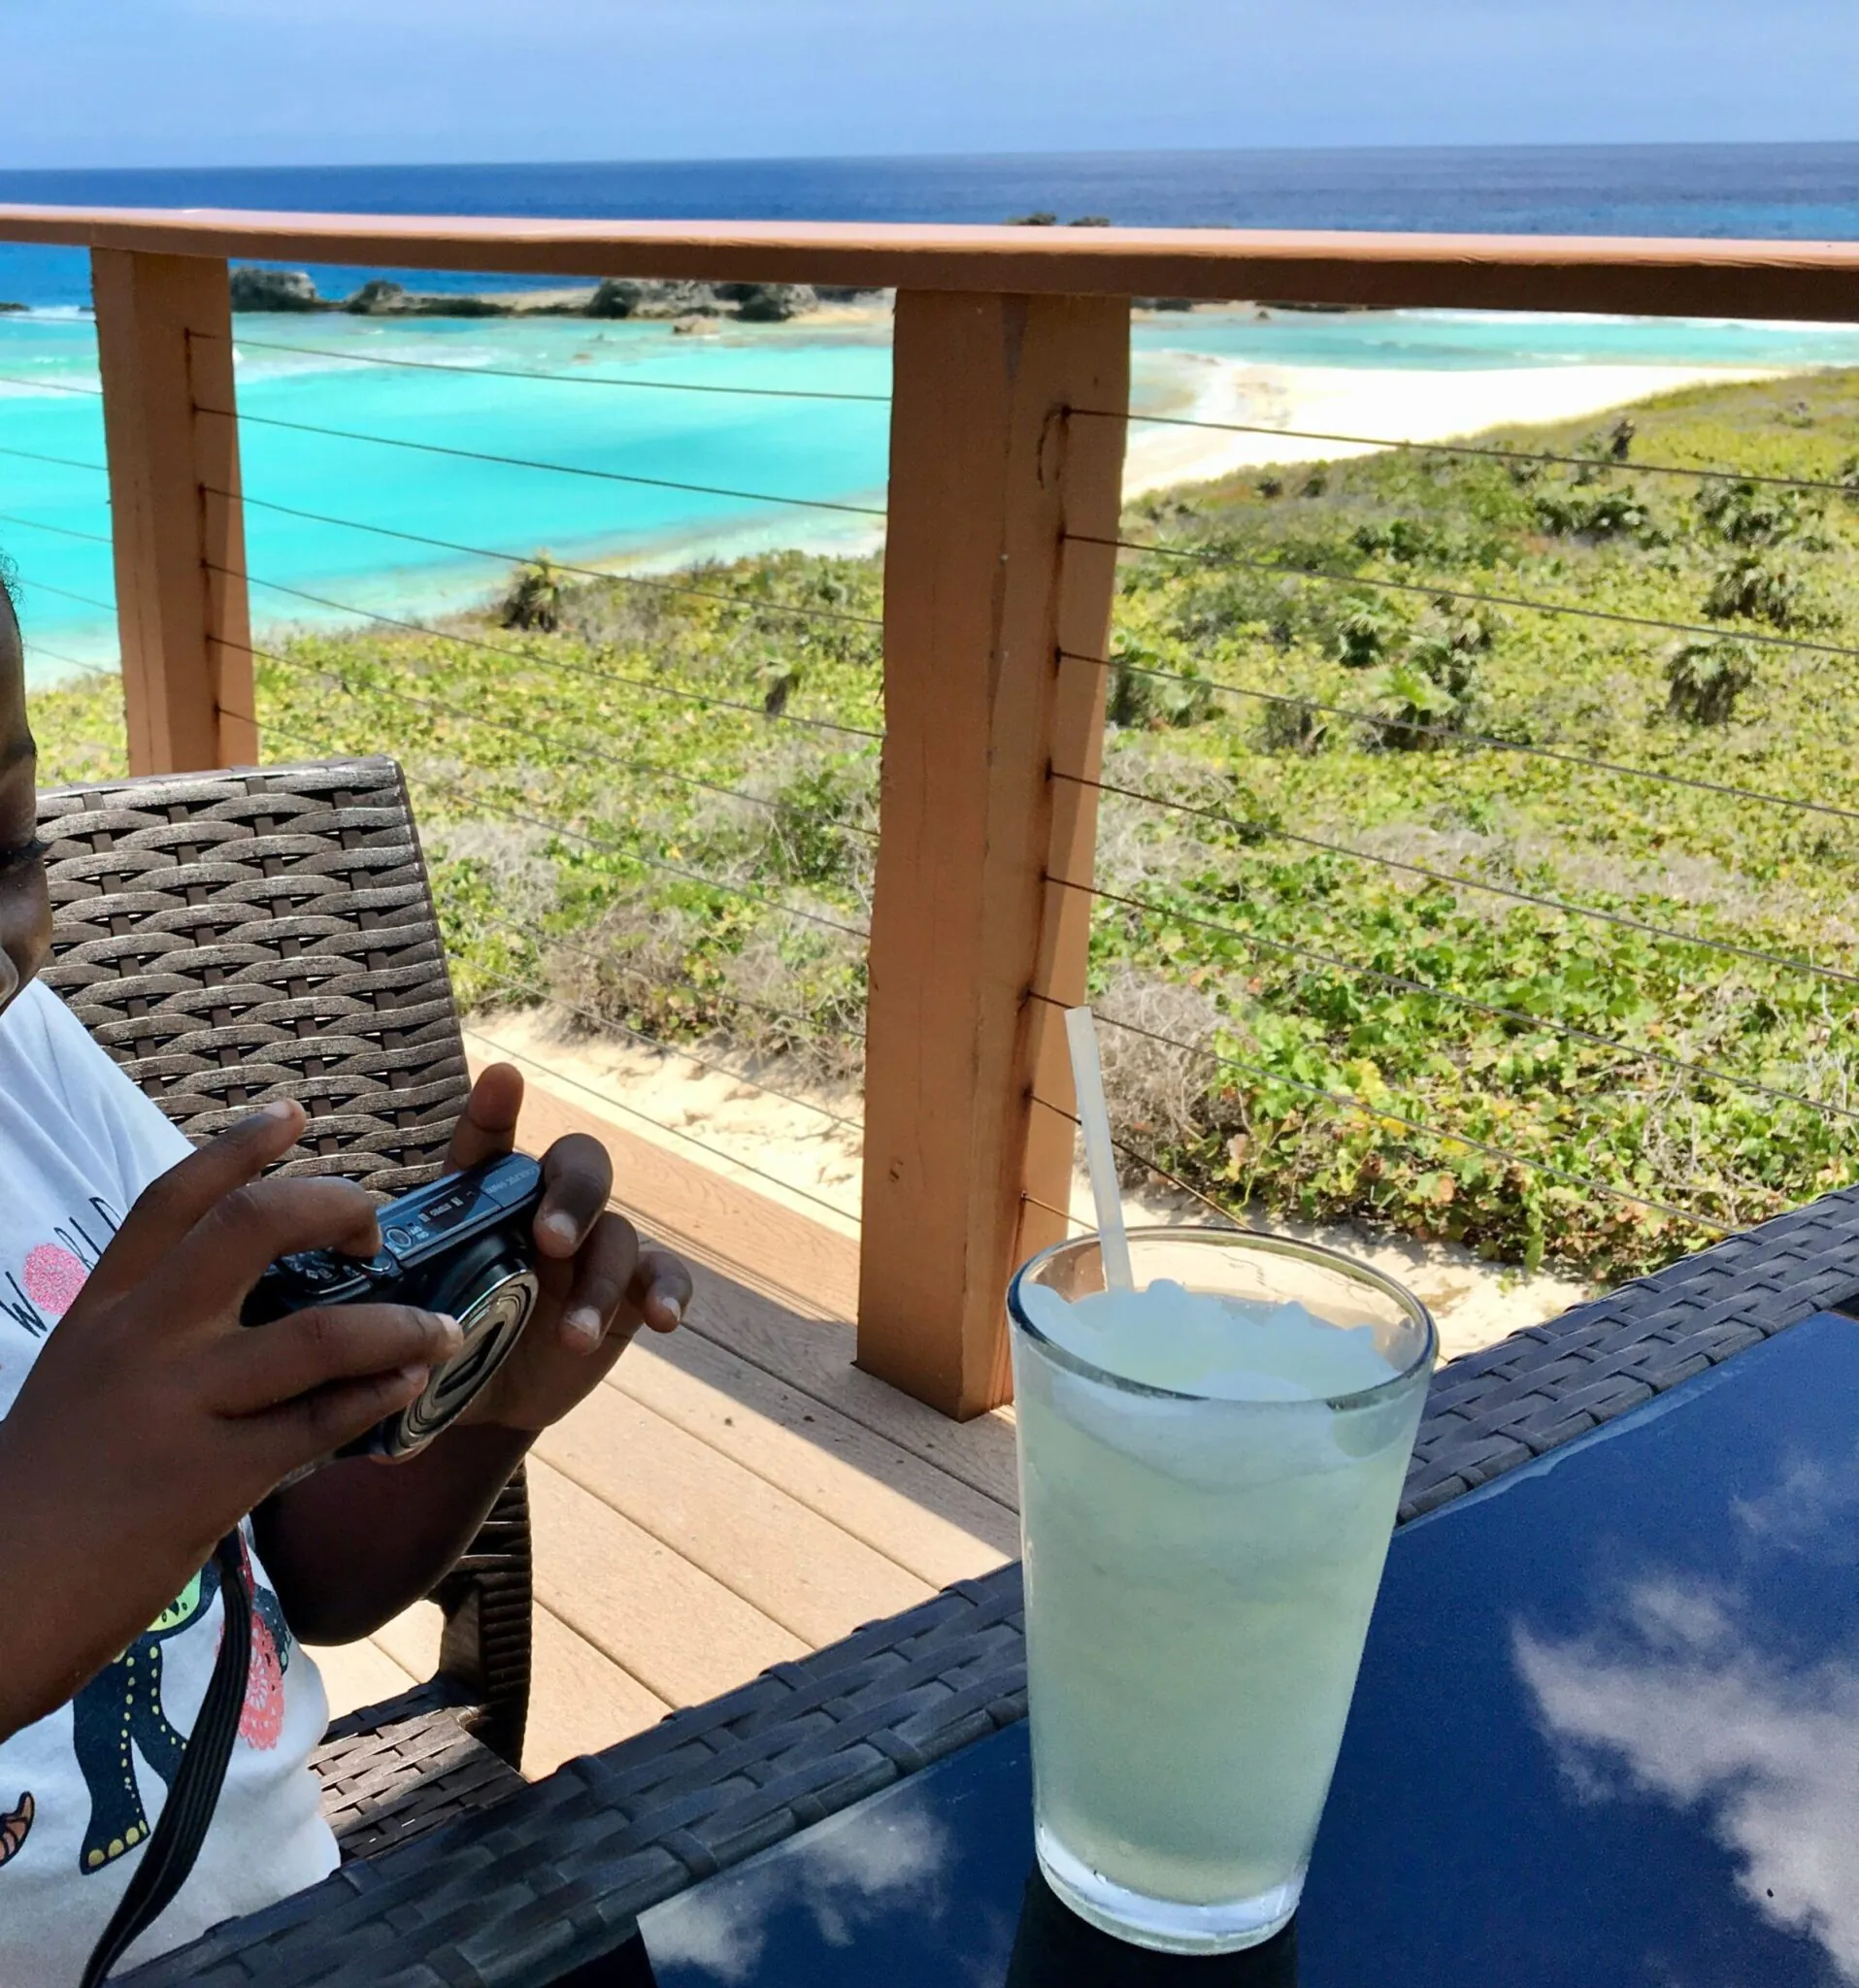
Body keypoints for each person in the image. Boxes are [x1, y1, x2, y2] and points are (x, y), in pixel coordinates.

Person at [0, 574, 694, 1983]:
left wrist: (483, 1402)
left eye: (3, 844)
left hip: (304, 1924)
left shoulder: (30, 1063)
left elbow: (303, 1573)